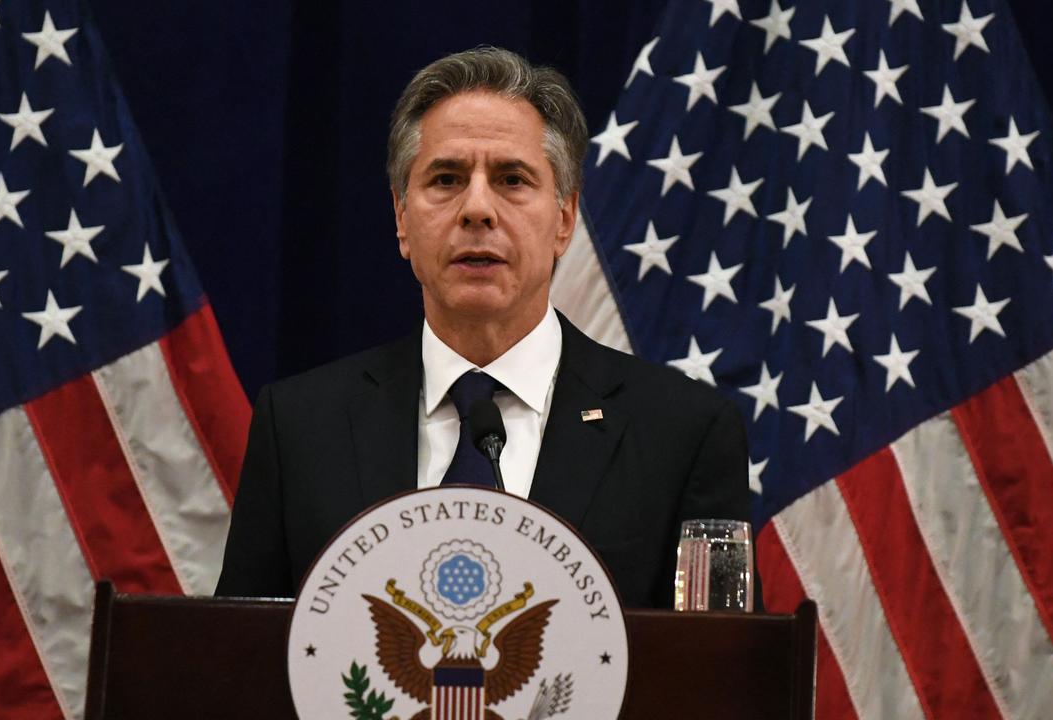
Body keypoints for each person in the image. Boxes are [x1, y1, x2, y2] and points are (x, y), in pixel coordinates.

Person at [215, 47, 749, 608]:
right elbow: (237, 661)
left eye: (512, 180)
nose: (477, 209)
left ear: (564, 220)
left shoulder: (684, 433)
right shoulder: (299, 427)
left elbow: (718, 674)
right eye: (445, 179)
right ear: (402, 219)